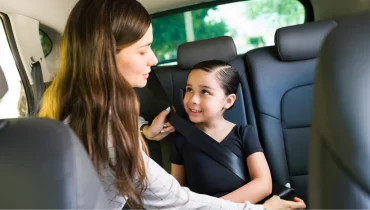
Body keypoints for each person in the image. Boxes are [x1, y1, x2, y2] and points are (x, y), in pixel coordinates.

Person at [38, 0, 306, 209]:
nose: (154, 60)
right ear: (105, 54)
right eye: (143, 50)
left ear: (229, 101)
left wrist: (144, 132)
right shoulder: (106, 130)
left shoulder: (75, 112)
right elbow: (176, 202)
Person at [171, 60, 272, 204]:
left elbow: (263, 184)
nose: (192, 99)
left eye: (205, 92)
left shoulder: (243, 133)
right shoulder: (181, 140)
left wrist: (215, 207)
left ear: (228, 101)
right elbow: (177, 194)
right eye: (189, 89)